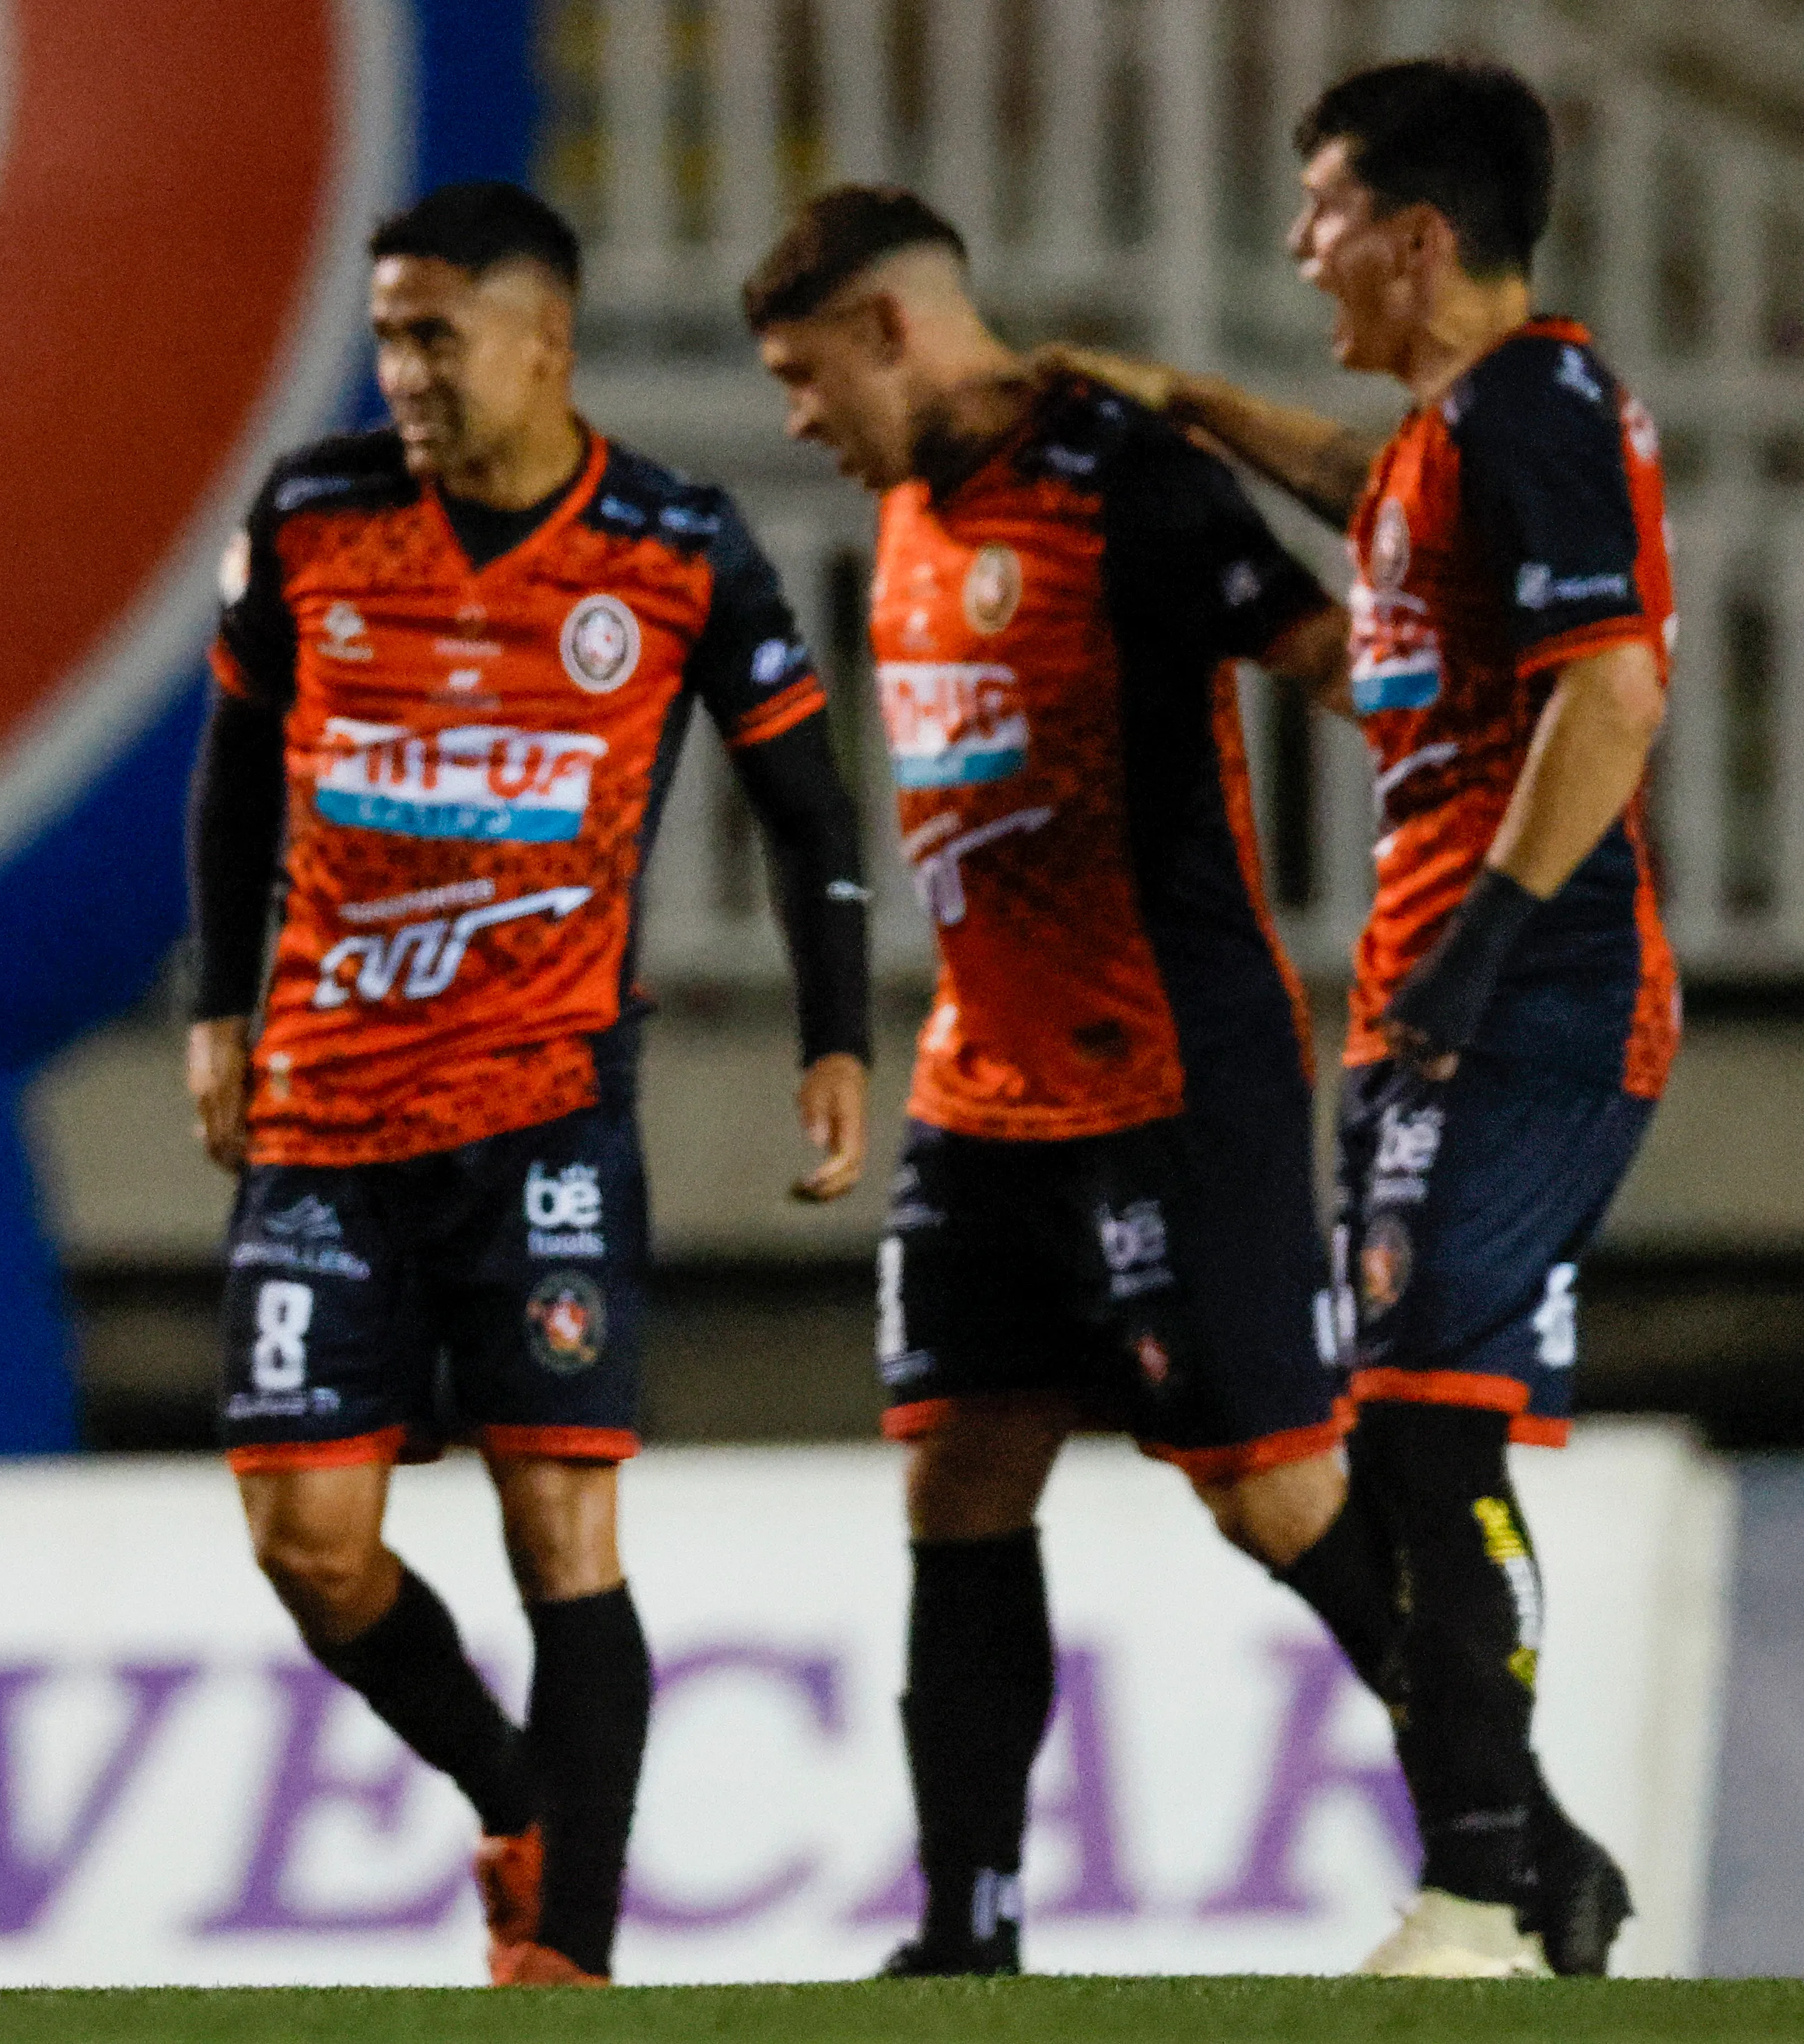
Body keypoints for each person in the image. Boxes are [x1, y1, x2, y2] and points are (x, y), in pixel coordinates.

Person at [186, 180, 875, 1987]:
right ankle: (513, 1789)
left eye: (434, 333)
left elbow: (805, 809)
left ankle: (565, 1956)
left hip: (542, 1108)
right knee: (307, 1541)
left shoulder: (673, 544)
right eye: (386, 332)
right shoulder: (313, 516)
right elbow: (234, 773)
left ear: (544, 341)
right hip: (322, 1115)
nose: (398, 368)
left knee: (558, 1521)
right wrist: (217, 1014)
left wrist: (833, 1033)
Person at [1034, 57, 1669, 1978]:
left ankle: (1485, 1887)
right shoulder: (1437, 439)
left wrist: (1482, 946)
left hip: (1521, 990)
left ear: (1413, 234)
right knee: (1406, 1433)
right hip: (1431, 1001)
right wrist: (1190, 401)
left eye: (1318, 213)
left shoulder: (1540, 400)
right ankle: (1522, 1870)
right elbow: (1358, 493)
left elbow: (1616, 690)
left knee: (1422, 1426)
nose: (1296, 246)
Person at [744, 184, 1406, 1977]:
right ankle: (966, 1931)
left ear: (891, 329)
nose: (793, 418)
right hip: (981, 1090)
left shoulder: (1123, 477)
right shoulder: (898, 503)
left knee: (1268, 1489)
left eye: (806, 375)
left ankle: (1511, 1838)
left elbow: (1333, 660)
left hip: (1162, 1070)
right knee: (957, 1480)